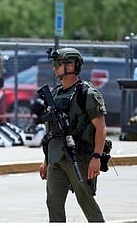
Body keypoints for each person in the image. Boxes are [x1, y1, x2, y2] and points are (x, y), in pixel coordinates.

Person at [38, 47, 107, 222]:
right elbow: (50, 132)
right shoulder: (54, 95)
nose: (54, 68)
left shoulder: (87, 94)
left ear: (71, 65)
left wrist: (96, 157)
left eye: (57, 64)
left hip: (79, 157)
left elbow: (101, 127)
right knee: (53, 203)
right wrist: (46, 160)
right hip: (55, 158)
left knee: (86, 201)